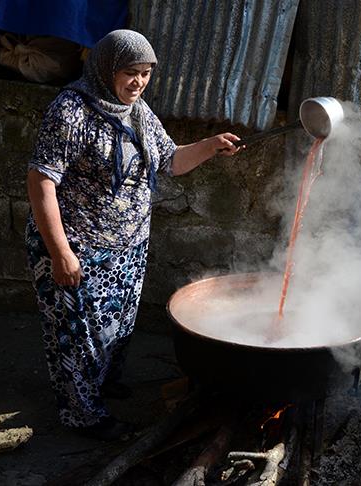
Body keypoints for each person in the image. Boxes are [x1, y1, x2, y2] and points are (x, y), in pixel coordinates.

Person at [25, 29, 241, 440]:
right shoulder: (71, 111)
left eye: (145, 74)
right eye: (130, 72)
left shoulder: (136, 110)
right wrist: (60, 253)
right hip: (78, 245)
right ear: (107, 69)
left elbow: (170, 161)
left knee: (116, 328)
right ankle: (83, 415)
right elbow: (41, 181)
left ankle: (101, 386)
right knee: (77, 336)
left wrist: (211, 146)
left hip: (126, 244)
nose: (138, 82)